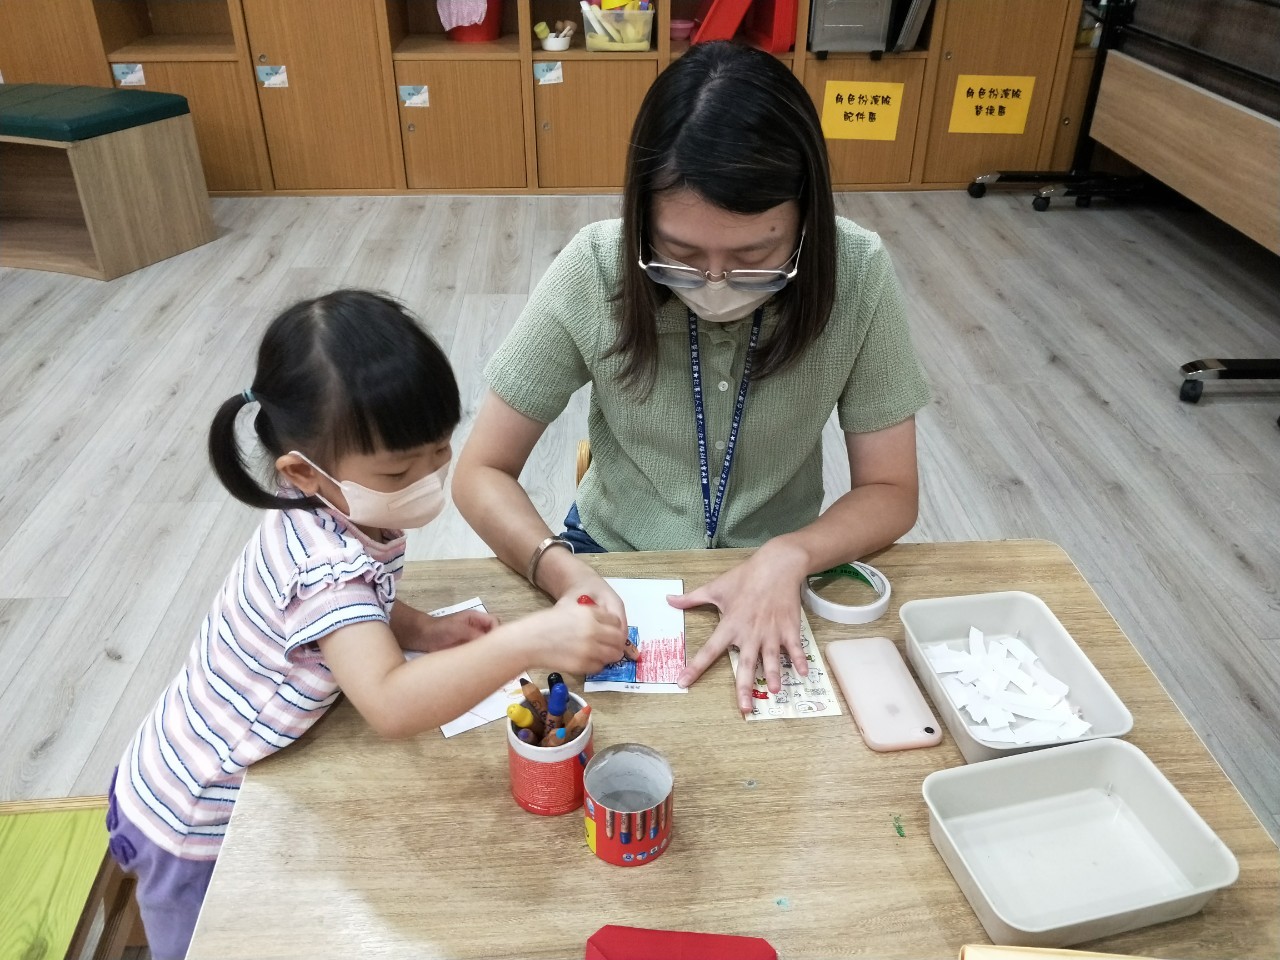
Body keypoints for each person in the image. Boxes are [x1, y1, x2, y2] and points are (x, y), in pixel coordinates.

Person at [106, 290, 629, 959]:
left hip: (199, 771)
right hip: (195, 821)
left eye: (439, 451)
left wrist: (425, 631)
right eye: (399, 470)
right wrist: (523, 641)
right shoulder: (322, 565)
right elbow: (386, 700)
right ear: (304, 472)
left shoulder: (343, 510)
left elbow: (364, 609)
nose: (430, 478)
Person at [453, 41, 930, 716]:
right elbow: (480, 472)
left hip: (780, 566)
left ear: (805, 221)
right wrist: (566, 573)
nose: (713, 283)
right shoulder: (596, 270)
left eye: (753, 256)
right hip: (608, 559)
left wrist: (791, 555)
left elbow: (891, 490)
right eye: (678, 253)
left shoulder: (856, 273)